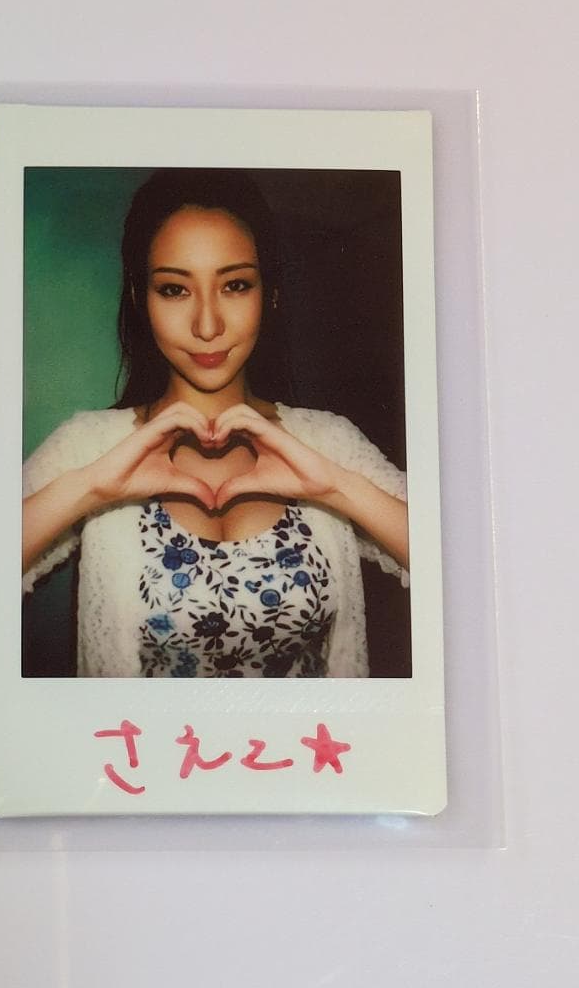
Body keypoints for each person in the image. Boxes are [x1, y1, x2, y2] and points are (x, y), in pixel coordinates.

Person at [22, 169, 409, 679]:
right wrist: (90, 487)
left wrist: (336, 487)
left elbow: (473, 573)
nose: (208, 326)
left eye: (235, 285)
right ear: (140, 299)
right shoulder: (90, 445)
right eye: (174, 290)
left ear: (270, 293)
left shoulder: (328, 441)